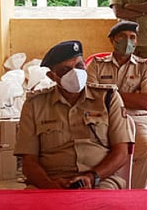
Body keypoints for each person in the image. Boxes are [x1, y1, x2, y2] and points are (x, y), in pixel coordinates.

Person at [15, 40, 130, 189]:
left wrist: (92, 177)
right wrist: (49, 185)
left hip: (100, 180)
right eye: (65, 70)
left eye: (79, 66)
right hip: (50, 181)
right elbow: (29, 161)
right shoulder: (34, 104)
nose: (75, 73)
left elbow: (121, 152)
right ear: (52, 76)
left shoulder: (108, 98)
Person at [86, 22, 147, 189]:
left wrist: (108, 95)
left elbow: (146, 102)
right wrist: (131, 97)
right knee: (87, 152)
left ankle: (133, 194)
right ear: (113, 40)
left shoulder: (145, 66)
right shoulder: (96, 64)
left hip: (135, 120)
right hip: (102, 120)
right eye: (122, 37)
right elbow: (89, 97)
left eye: (132, 37)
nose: (128, 41)